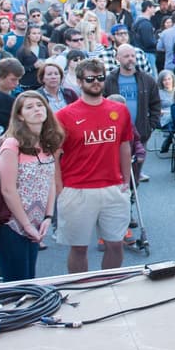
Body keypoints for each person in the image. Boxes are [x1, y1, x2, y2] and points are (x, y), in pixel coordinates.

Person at [56, 58, 134, 274]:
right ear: (80, 82)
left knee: (116, 244)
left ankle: (107, 286)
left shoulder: (120, 111)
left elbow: (125, 145)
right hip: (77, 189)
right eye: (90, 78)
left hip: (113, 187)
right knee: (79, 248)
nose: (96, 82)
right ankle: (82, 290)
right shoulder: (64, 115)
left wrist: (125, 180)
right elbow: (54, 154)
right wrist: (59, 188)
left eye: (100, 78)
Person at [0, 91, 63, 282]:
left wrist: (48, 217)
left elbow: (48, 181)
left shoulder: (47, 142)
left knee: (30, 278)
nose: (37, 110)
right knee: (16, 282)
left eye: (40, 105)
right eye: (29, 107)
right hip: (12, 224)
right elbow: (7, 189)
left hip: (37, 221)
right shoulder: (11, 145)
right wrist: (25, 224)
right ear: (20, 115)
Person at [103, 44, 161, 186]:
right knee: (115, 167)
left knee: (136, 166)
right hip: (116, 131)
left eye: (133, 56)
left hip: (141, 130)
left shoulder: (147, 80)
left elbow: (155, 105)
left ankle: (132, 194)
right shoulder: (109, 80)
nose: (130, 59)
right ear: (117, 58)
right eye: (126, 56)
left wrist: (151, 125)